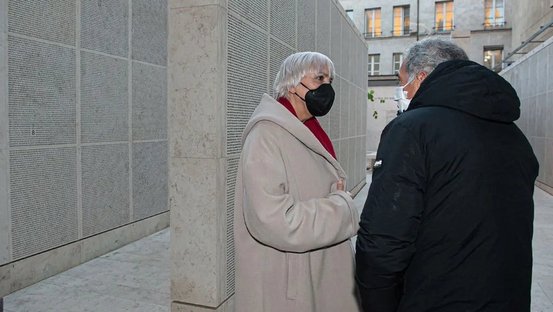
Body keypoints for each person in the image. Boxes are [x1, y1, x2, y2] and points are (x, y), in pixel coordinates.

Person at [355, 37, 539, 312]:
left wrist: (377, 300)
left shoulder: (412, 130)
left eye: (404, 82)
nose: (404, 93)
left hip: (437, 298)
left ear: (422, 77)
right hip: (508, 296)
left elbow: (385, 237)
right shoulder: (514, 135)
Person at [234, 51, 361, 312]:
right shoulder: (266, 135)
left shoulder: (308, 129)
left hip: (315, 270)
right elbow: (276, 221)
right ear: (293, 84)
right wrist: (341, 206)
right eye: (319, 78)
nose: (327, 87)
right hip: (289, 282)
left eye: (330, 80)